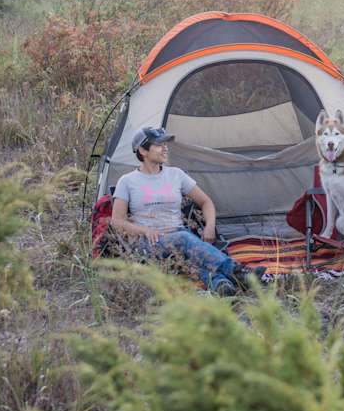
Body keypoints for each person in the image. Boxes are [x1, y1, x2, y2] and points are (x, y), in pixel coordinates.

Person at [110, 125, 264, 295]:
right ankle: (238, 272)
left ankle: (222, 286)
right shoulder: (127, 181)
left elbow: (206, 202)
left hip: (179, 235)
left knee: (189, 253)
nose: (165, 148)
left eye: (165, 144)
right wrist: (144, 230)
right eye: (159, 144)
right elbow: (117, 221)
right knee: (185, 239)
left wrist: (210, 226)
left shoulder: (176, 174)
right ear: (143, 150)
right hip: (149, 243)